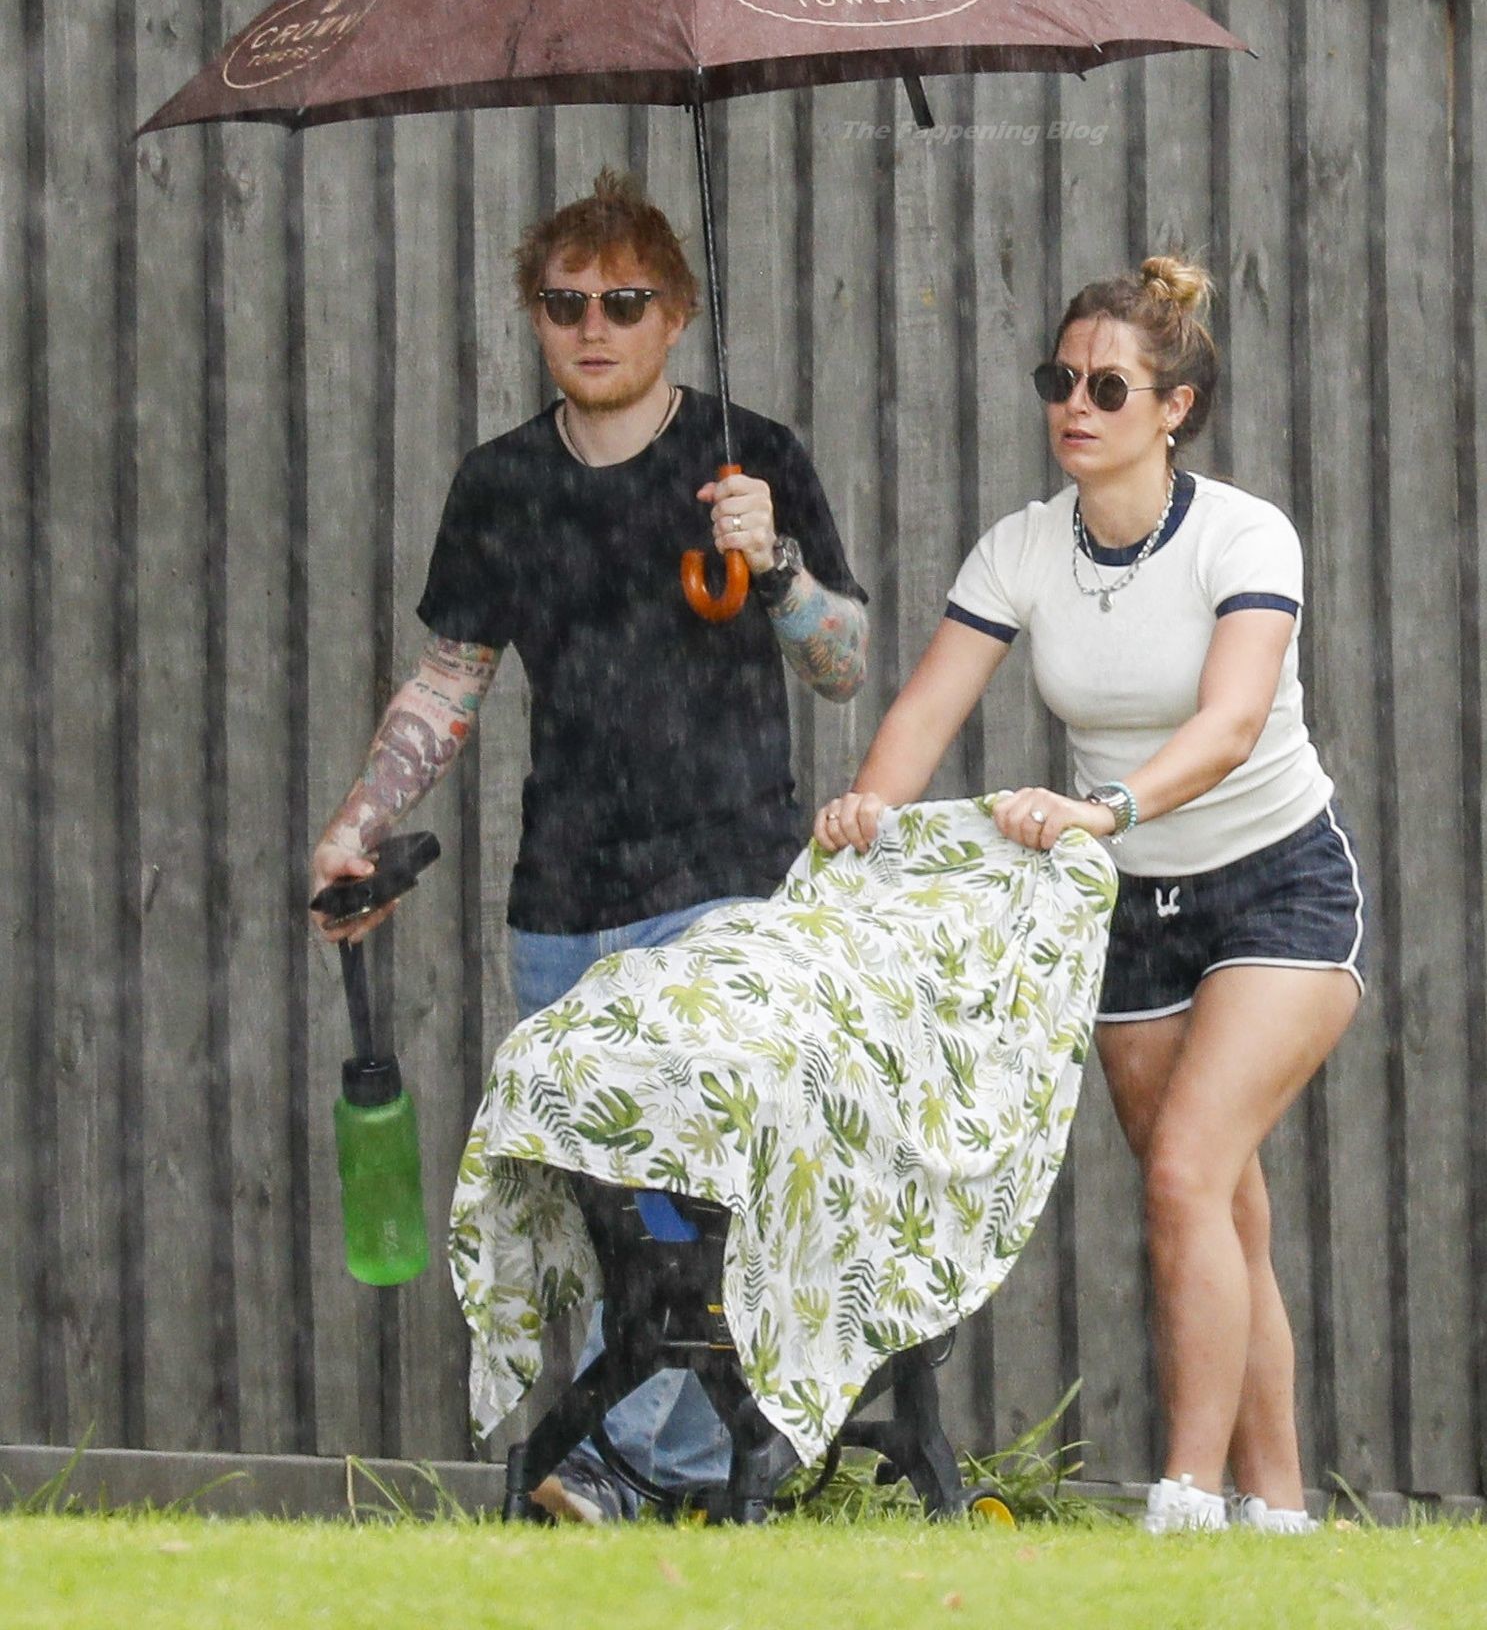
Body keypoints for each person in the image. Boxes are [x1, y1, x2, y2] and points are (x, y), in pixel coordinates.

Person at [310, 167, 868, 1523]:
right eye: (565, 304)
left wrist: (776, 565)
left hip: (726, 883)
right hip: (563, 896)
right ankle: (686, 1469)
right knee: (606, 1209)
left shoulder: (749, 457)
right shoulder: (501, 481)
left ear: (675, 314)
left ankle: (621, 1467)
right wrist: (357, 824)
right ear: (535, 317)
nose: (593, 327)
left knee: (690, 1187)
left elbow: (843, 666)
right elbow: (451, 680)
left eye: (624, 302)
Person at [814, 254, 1363, 1536]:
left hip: (1276, 885)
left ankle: (1184, 1498)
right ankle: (1280, 1514)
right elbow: (924, 712)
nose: (1075, 405)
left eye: (1107, 387)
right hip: (1126, 908)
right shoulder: (1021, 546)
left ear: (1173, 407)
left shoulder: (1243, 535)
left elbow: (1230, 725)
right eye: (1057, 380)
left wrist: (1102, 809)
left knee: (1183, 1171)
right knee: (1218, 1202)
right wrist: (864, 812)